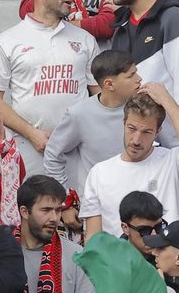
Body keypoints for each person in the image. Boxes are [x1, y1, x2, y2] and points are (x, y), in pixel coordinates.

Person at [0, 0, 94, 179]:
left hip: (78, 153)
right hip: (27, 152)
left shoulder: (85, 40)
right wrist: (32, 135)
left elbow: (100, 96)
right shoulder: (8, 41)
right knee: (31, 212)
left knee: (77, 212)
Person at [81, 87, 179, 237]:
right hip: (116, 259)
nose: (136, 140)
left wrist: (166, 100)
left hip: (162, 256)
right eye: (131, 128)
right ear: (124, 123)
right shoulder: (99, 172)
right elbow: (93, 239)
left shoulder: (171, 162)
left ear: (158, 131)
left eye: (146, 132)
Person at [43, 51, 145, 195]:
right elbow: (53, 156)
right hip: (96, 206)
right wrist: (65, 199)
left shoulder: (144, 107)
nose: (139, 79)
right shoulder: (79, 114)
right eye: (131, 75)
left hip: (139, 202)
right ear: (109, 84)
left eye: (136, 72)